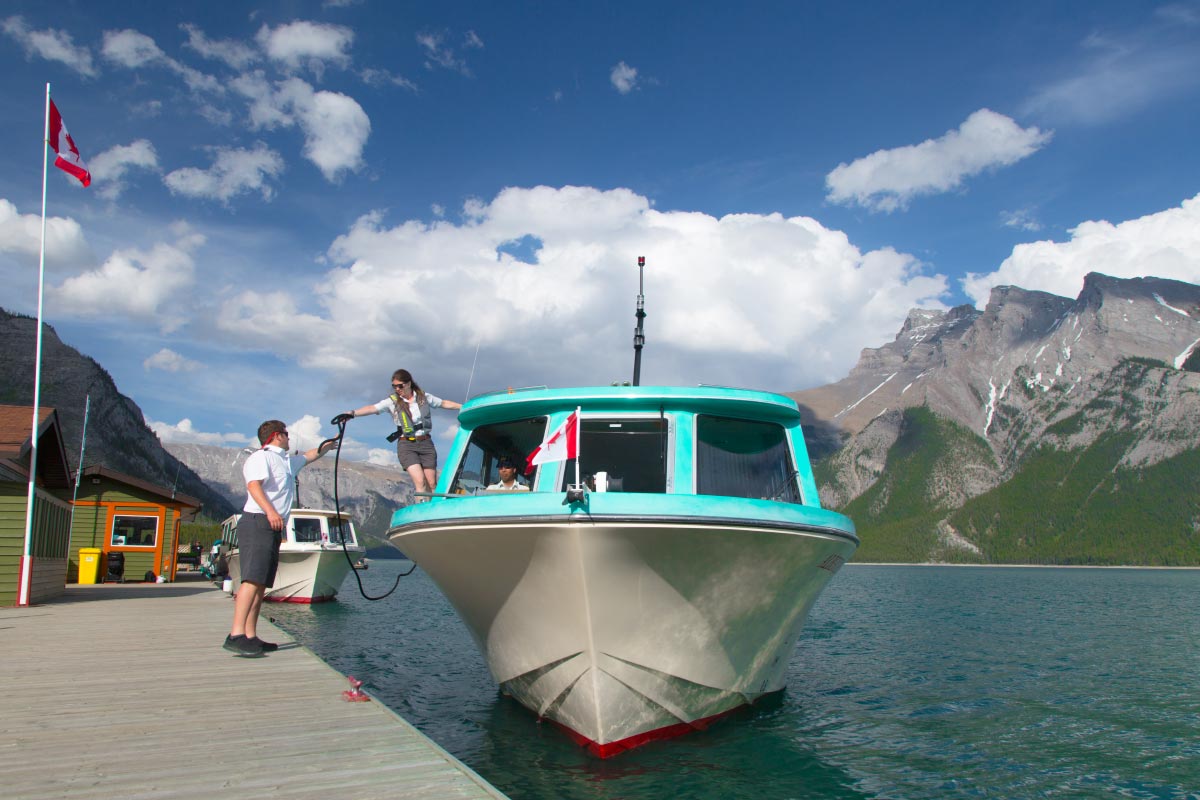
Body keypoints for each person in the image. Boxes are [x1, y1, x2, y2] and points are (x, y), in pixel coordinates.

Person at [224, 420, 336, 656]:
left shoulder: (285, 462)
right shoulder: (261, 457)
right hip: (258, 521)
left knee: (261, 583)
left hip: (272, 525)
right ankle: (236, 634)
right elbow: (254, 486)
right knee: (251, 580)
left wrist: (328, 445)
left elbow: (309, 455)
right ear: (276, 436)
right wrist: (271, 512)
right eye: (286, 434)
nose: (289, 437)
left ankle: (251, 636)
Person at [337, 369, 462, 499]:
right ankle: (420, 511)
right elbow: (372, 408)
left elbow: (443, 403)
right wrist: (352, 413)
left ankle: (435, 510)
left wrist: (462, 406)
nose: (397, 389)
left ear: (408, 384)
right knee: (420, 482)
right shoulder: (392, 401)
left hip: (425, 443)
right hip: (406, 444)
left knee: (432, 483)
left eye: (400, 385)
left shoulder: (423, 397)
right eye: (394, 386)